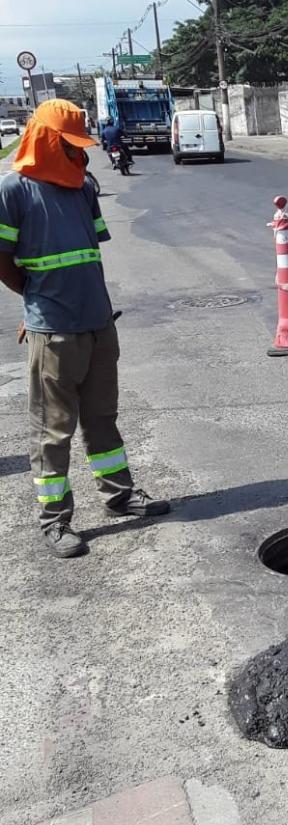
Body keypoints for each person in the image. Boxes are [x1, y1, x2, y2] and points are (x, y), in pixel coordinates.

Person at [0, 99, 169, 558]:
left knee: (102, 419)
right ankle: (55, 521)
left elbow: (87, 253)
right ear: (45, 140)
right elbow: (3, 260)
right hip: (54, 332)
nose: (80, 155)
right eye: (69, 145)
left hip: (98, 325)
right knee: (53, 431)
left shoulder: (82, 188)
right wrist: (35, 301)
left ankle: (120, 495)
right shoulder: (12, 190)